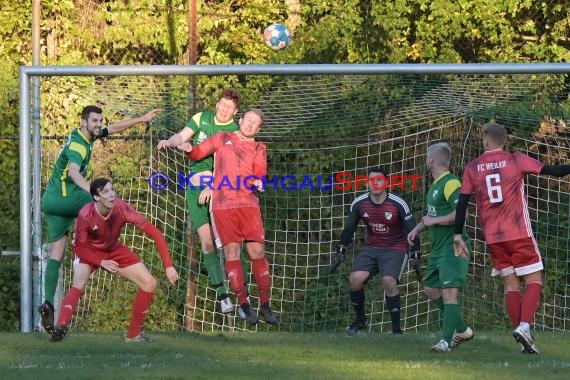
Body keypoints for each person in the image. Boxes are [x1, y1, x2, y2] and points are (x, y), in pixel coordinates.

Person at [39, 105, 161, 334]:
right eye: (94, 121)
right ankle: (102, 249)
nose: (98, 125)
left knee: (56, 254)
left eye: (99, 121)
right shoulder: (78, 145)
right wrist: (93, 192)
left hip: (51, 202)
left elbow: (112, 128)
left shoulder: (85, 135)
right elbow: (74, 172)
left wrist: (140, 118)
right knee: (108, 202)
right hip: (67, 197)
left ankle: (47, 303)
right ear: (83, 121)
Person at [454, 122, 570, 354]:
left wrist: (457, 234)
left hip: (493, 238)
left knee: (511, 285)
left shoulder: (472, 167)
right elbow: (554, 171)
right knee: (534, 280)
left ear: (486, 140)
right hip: (518, 233)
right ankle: (524, 326)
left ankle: (524, 340)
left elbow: (463, 203)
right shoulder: (515, 159)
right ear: (504, 140)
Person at [50, 178, 179, 342]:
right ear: (96, 197)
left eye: (112, 190)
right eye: (105, 192)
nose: (111, 195)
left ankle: (133, 336)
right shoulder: (85, 214)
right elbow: (80, 248)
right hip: (88, 250)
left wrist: (168, 265)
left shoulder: (122, 208)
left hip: (112, 248)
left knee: (149, 283)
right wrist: (101, 262)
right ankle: (60, 327)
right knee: (79, 283)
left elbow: (155, 233)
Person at [157, 88, 247, 315]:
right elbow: (182, 136)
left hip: (221, 191)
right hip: (195, 190)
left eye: (230, 107)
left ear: (235, 112)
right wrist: (171, 142)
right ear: (217, 104)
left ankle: (243, 301)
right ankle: (223, 296)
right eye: (223, 104)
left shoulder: (235, 132)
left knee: (228, 247)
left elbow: (232, 168)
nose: (225, 109)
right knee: (206, 244)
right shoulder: (202, 118)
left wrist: (213, 186)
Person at [186, 108, 277, 325]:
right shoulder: (222, 137)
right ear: (241, 120)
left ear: (258, 128)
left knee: (257, 252)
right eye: (248, 120)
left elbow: (260, 171)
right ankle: (245, 306)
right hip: (223, 207)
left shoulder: (258, 147)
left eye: (255, 123)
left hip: (248, 205)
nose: (250, 125)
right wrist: (189, 149)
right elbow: (197, 153)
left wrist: (258, 181)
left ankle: (265, 305)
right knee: (232, 253)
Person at [332, 166, 420, 336]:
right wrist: (341, 249)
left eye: (378, 179)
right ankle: (360, 320)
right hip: (372, 247)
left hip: (396, 247)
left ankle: (396, 332)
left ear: (385, 183)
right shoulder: (359, 203)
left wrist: (416, 254)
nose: (375, 183)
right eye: (371, 180)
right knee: (355, 280)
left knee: (388, 281)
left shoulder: (398, 203)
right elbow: (349, 228)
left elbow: (412, 230)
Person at [407, 143, 474, 352]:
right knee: (431, 289)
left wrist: (433, 222)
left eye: (427, 156)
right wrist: (417, 229)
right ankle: (462, 329)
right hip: (438, 249)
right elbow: (432, 216)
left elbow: (460, 215)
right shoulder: (436, 185)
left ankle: (446, 341)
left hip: (453, 246)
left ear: (431, 160)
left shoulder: (451, 183)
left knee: (449, 294)